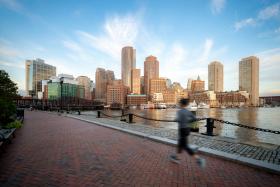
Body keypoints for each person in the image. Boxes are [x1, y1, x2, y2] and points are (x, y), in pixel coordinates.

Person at [169, 98, 206, 168]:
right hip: (187, 130)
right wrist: (188, 121)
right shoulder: (188, 112)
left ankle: (199, 159)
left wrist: (176, 120)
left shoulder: (179, 112)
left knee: (185, 146)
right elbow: (194, 119)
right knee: (180, 144)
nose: (179, 104)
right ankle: (176, 157)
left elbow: (177, 119)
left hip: (182, 130)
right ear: (186, 104)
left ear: (181, 104)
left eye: (180, 103)